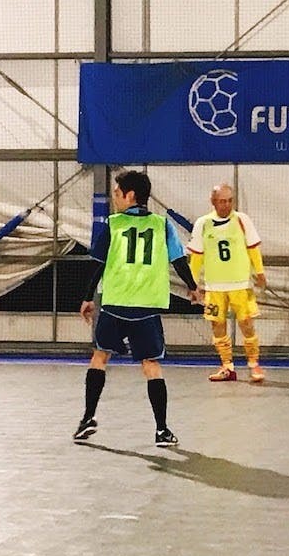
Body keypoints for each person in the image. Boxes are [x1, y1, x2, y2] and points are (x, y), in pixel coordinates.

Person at [72, 170, 201, 447]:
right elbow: (179, 260)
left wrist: (87, 297)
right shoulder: (162, 225)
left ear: (130, 195)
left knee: (99, 357)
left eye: (117, 193)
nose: (115, 198)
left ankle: (87, 419)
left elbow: (98, 264)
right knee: (151, 365)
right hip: (147, 306)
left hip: (115, 304)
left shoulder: (113, 224)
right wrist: (192, 287)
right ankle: (162, 430)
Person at [187, 184, 267, 382]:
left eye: (230, 200)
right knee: (217, 325)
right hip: (214, 286)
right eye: (222, 201)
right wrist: (192, 282)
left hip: (240, 284)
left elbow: (253, 248)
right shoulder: (203, 223)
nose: (227, 205)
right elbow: (196, 256)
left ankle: (254, 364)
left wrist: (260, 272)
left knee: (247, 324)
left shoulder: (241, 220)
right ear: (213, 201)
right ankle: (227, 366)